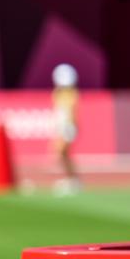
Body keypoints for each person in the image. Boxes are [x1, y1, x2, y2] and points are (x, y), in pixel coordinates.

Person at [50, 63, 81, 195]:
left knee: (61, 152)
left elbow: (72, 112)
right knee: (62, 154)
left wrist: (70, 127)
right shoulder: (58, 93)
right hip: (62, 126)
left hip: (68, 127)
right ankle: (72, 179)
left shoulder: (72, 94)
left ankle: (73, 179)